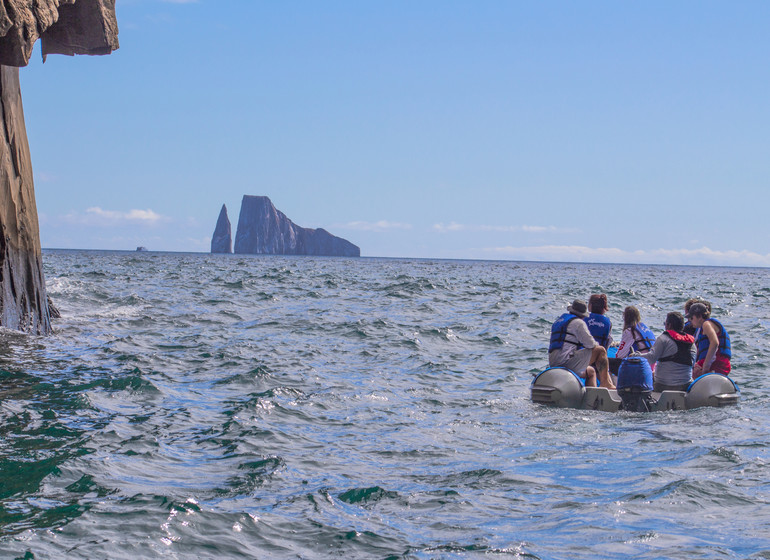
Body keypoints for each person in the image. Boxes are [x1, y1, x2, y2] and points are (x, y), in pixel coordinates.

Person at [549, 299, 615, 389]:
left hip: (553, 362)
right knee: (601, 350)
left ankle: (592, 395)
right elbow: (591, 344)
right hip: (566, 363)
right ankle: (606, 383)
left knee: (591, 372)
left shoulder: (559, 321)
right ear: (582, 315)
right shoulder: (578, 323)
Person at [640, 311, 695, 392]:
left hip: (663, 386)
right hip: (686, 385)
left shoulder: (663, 339)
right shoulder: (692, 343)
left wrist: (636, 355)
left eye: (665, 323)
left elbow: (651, 358)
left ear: (669, 325)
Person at [687, 302, 732, 376]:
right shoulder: (703, 329)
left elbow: (715, 342)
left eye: (692, 318)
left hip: (717, 363)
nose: (690, 320)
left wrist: (705, 367)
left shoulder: (706, 324)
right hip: (723, 364)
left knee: (688, 373)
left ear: (700, 317)